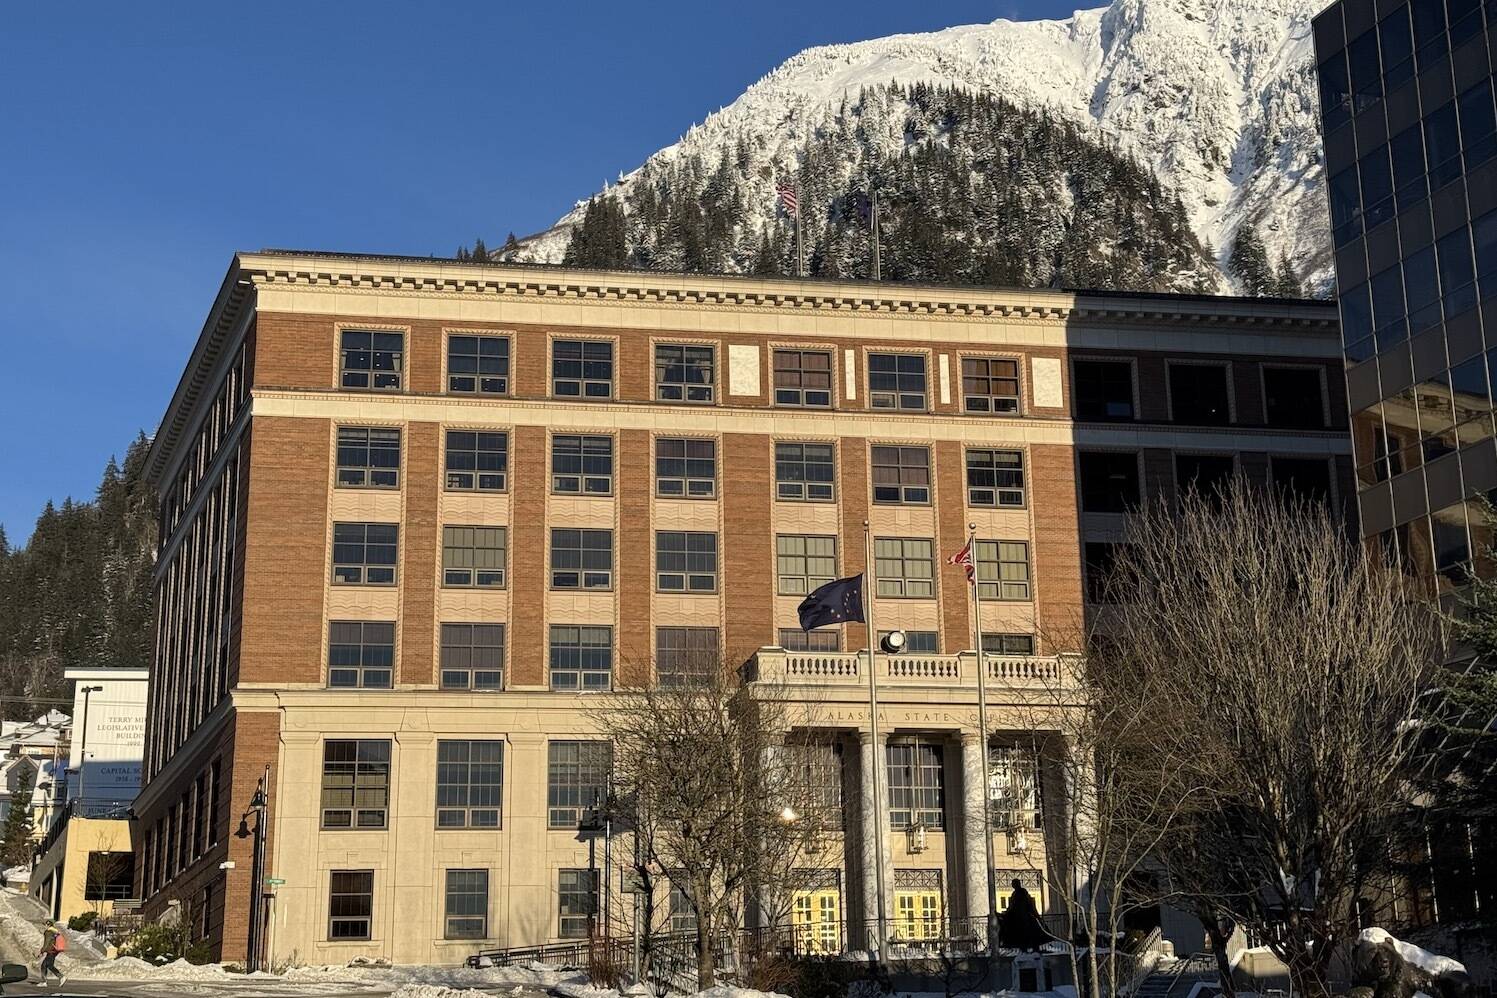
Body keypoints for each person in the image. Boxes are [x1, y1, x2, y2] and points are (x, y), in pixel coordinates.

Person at [999, 878, 1047, 951]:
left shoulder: (1022, 893)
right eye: (1012, 884)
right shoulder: (1015, 894)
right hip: (1019, 917)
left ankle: (1032, 949)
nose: (1013, 885)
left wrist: (1036, 916)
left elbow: (1026, 905)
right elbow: (1012, 906)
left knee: (1028, 934)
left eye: (1014, 884)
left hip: (1023, 918)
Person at [38, 919, 66, 987]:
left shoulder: (48, 932)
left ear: (48, 925)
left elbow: (47, 942)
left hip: (51, 951)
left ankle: (60, 977)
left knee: (45, 965)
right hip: (54, 950)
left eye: (45, 925)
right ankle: (60, 977)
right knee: (48, 965)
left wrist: (42, 950)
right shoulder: (55, 932)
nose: (44, 926)